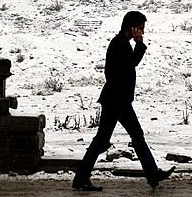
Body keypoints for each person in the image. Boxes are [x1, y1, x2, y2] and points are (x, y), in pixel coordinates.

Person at [73, 11, 174, 192]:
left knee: (113, 139)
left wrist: (138, 45)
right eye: (141, 29)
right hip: (116, 101)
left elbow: (129, 65)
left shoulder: (122, 43)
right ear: (132, 27)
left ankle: (152, 174)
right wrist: (140, 45)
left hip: (118, 100)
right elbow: (129, 66)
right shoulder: (118, 44)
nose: (142, 32)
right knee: (118, 139)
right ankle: (152, 174)